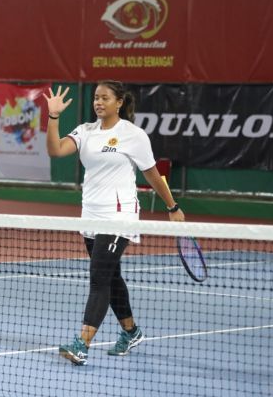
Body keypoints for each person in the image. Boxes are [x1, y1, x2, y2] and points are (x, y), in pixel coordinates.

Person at [44, 81, 185, 366]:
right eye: (96, 98)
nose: (98, 102)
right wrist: (53, 117)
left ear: (119, 102)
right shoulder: (85, 131)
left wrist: (173, 206)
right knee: (111, 277)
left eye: (104, 98)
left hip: (120, 217)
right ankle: (131, 331)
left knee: (98, 278)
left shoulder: (133, 135)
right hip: (92, 216)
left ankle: (82, 344)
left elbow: (153, 174)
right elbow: (56, 150)